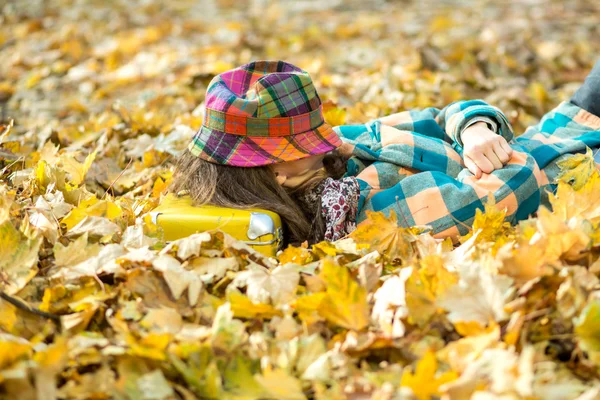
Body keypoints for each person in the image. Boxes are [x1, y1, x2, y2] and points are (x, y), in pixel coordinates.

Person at [171, 60, 600, 246]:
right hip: (580, 174)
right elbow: (508, 192)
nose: (326, 140)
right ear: (276, 174)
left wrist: (475, 128)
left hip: (564, 129)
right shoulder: (363, 217)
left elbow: (439, 114)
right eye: (305, 142)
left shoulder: (328, 153)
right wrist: (494, 151)